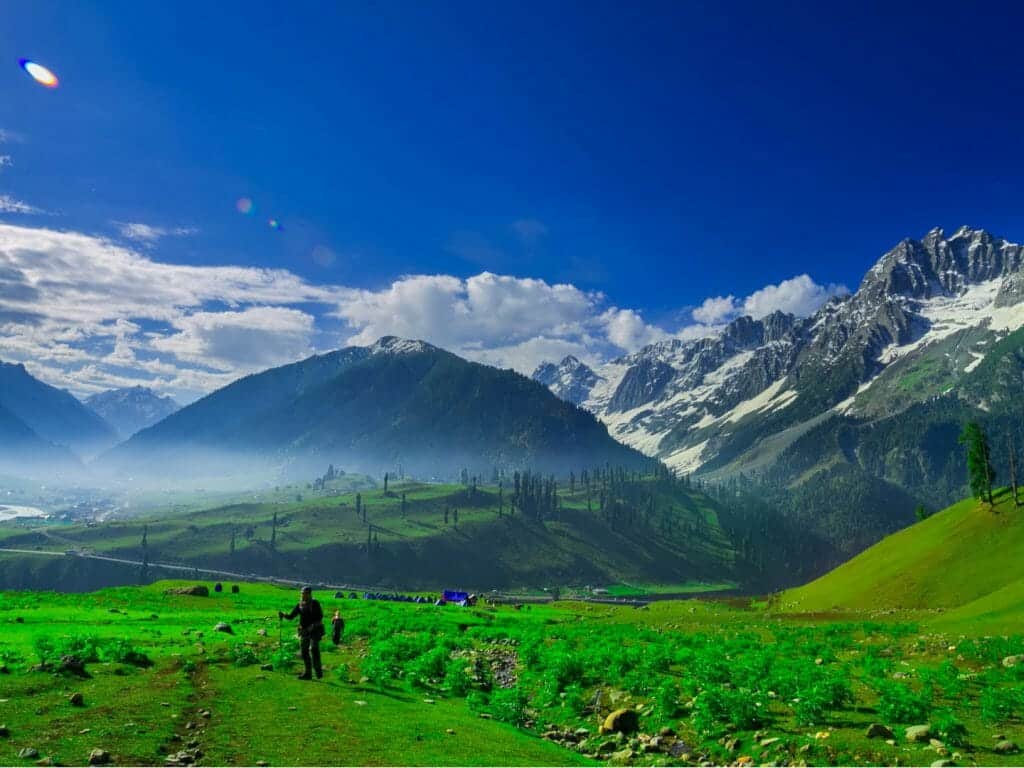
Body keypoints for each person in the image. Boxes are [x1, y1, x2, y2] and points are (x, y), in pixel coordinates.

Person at [279, 586, 325, 680]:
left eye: (305, 593)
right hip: (303, 631)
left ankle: (318, 671)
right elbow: (291, 616)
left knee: (314, 650)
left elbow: (320, 617)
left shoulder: (315, 603)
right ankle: (307, 673)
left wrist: (311, 627)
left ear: (309, 594)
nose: (303, 595)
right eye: (302, 593)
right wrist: (283, 615)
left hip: (315, 630)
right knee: (304, 652)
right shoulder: (299, 604)